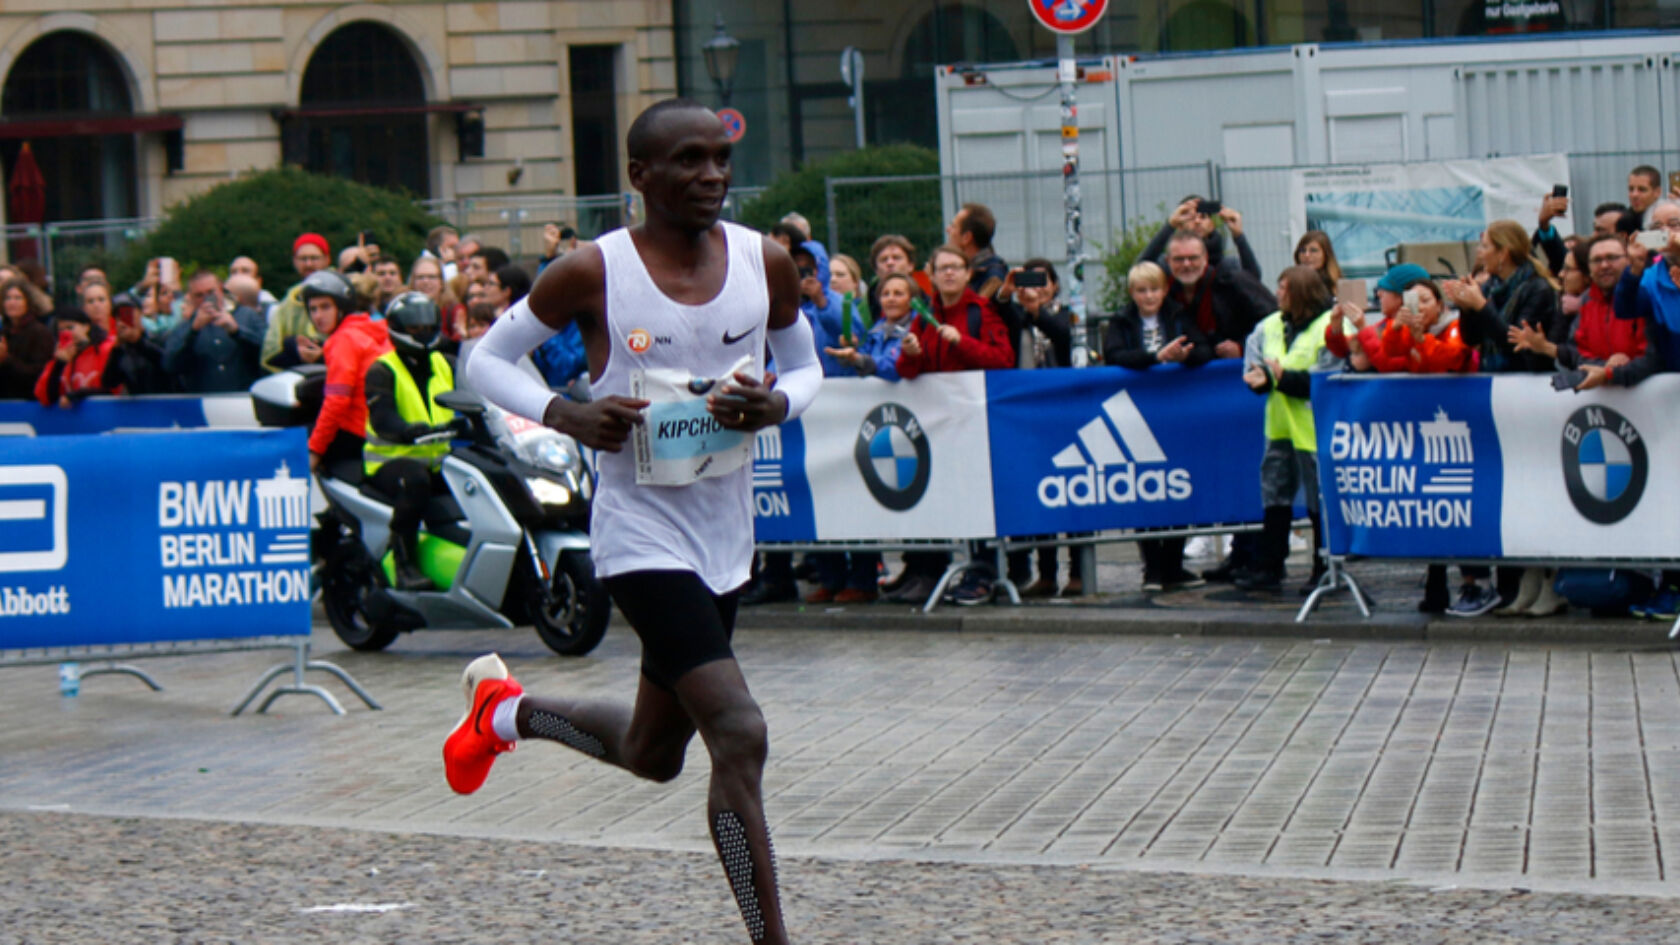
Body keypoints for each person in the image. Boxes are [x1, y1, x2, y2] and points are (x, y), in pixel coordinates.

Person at [451, 98, 817, 945]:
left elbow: (806, 369)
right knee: (739, 728)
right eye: (688, 161)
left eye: (720, 159)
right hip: (640, 536)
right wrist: (566, 413)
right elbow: (487, 361)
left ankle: (504, 713)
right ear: (640, 177)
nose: (712, 175)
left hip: (725, 533)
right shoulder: (591, 270)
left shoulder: (765, 261)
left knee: (656, 753)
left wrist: (776, 405)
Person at [1441, 220, 1561, 616]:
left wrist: (1482, 308)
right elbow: (1476, 338)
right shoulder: (1493, 286)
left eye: (1485, 246)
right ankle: (1526, 578)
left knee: (1538, 485)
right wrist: (1467, 305)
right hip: (1498, 396)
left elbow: (1518, 345)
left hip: (1528, 394)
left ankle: (1550, 578)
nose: (1480, 252)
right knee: (1515, 488)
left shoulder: (1537, 290)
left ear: (1504, 252)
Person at [895, 244, 1015, 606]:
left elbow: (1002, 360)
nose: (948, 273)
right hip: (938, 427)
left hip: (975, 424)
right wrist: (910, 354)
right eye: (942, 268)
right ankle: (940, 569)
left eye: (955, 267)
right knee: (945, 496)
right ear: (930, 275)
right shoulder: (924, 314)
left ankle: (983, 571)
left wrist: (962, 342)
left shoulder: (982, 312)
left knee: (978, 496)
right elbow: (907, 371)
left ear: (967, 274)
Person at [1103, 260, 1212, 593]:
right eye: (1141, 290)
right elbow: (1115, 355)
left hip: (1177, 412)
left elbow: (1203, 349)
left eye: (1154, 289)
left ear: (1165, 290)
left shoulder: (1178, 316)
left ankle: (1173, 565)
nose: (1148, 296)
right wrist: (1155, 359)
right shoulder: (1121, 321)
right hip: (1137, 413)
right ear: (1132, 294)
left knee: (1179, 485)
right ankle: (1152, 567)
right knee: (1144, 488)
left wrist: (1185, 358)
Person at [1238, 266, 1341, 593]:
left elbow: (1327, 379)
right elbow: (1256, 365)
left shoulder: (1331, 326)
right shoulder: (1268, 326)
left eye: (1285, 288)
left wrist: (1282, 378)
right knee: (1275, 495)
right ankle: (1270, 565)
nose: (1278, 293)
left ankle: (1323, 565)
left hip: (1315, 427)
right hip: (1280, 425)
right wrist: (1262, 379)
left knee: (1318, 502)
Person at [362, 292, 456, 591]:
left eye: (429, 326)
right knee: (415, 482)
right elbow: (382, 417)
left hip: (440, 460)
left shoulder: (445, 362)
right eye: (415, 328)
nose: (424, 332)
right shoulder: (382, 369)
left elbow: (473, 400)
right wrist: (405, 429)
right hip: (391, 463)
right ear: (399, 329)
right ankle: (403, 563)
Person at [305, 271, 391, 482]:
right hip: (382, 428)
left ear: (341, 308)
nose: (318, 316)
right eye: (313, 309)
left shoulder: (342, 339)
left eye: (325, 307)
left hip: (360, 434)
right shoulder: (369, 329)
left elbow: (336, 402)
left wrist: (314, 451)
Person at [162, 269, 267, 393]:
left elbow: (267, 352)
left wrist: (237, 331)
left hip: (245, 398)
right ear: (190, 297)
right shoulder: (184, 327)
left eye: (211, 292)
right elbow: (170, 366)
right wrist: (193, 332)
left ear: (221, 289)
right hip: (204, 403)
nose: (206, 299)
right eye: (199, 295)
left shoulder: (247, 315)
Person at [1143, 196, 1263, 280]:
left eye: (1203, 216)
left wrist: (1238, 235)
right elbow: (1142, 270)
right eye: (1191, 217)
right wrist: (1169, 226)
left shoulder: (1227, 266)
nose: (1197, 221)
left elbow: (1253, 279)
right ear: (1179, 225)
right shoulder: (1171, 265)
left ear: (1212, 224)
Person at [261, 232, 332, 372]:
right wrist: (292, 346)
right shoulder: (289, 300)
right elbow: (272, 350)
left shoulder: (340, 290)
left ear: (326, 259)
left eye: (314, 258)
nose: (309, 264)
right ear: (295, 262)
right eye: (303, 259)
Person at [33, 306, 115, 407]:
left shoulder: (106, 350)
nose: (67, 333)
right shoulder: (59, 358)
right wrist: (59, 364)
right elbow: (44, 397)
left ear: (86, 327)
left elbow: (113, 389)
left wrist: (77, 395)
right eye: (61, 330)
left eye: (70, 327)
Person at [0, 275, 53, 400]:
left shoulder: (39, 332)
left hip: (29, 402)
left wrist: (6, 359)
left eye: (18, 298)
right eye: (8, 298)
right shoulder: (4, 332)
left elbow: (39, 373)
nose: (12, 302)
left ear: (28, 302)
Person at [946, 202, 1007, 298]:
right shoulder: (968, 269)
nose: (947, 229)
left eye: (953, 226)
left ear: (966, 237)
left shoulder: (992, 278)